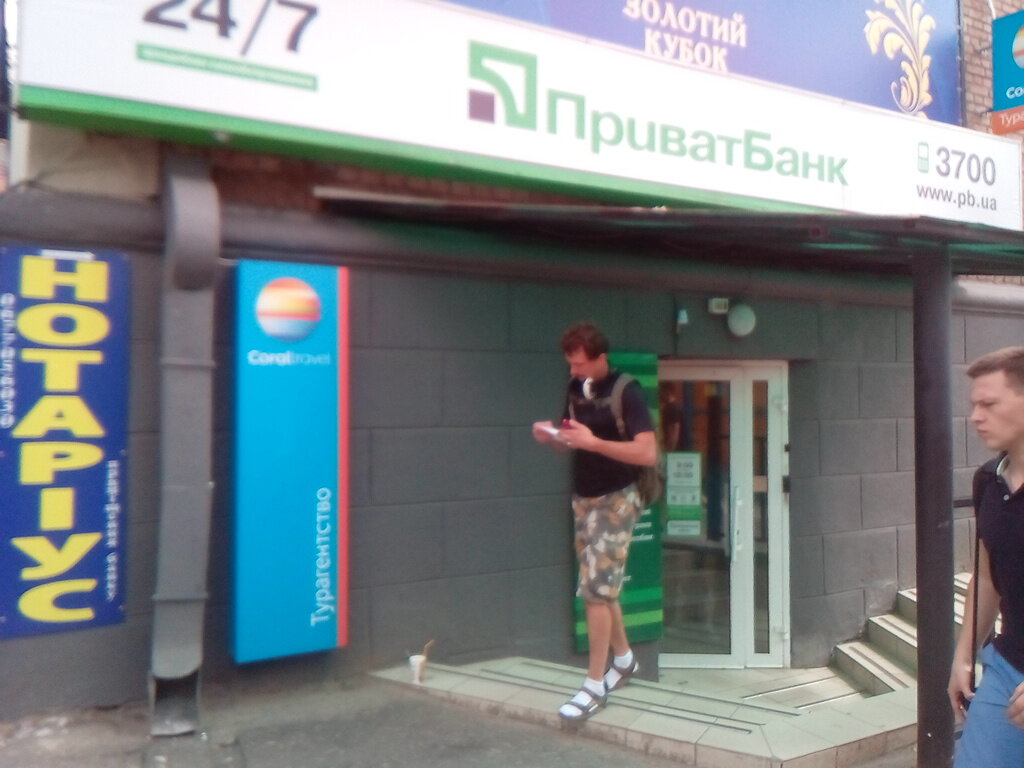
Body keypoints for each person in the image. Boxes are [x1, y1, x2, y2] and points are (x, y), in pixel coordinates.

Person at [532, 321, 656, 723]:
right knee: (599, 584)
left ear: (601, 359)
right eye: (570, 364)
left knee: (595, 593)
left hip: (616, 499)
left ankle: (594, 686)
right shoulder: (575, 388)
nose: (574, 371)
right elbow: (571, 439)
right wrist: (552, 436)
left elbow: (647, 453)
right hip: (584, 498)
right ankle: (624, 659)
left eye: (580, 364)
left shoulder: (627, 391)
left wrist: (595, 443)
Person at [948, 346, 1024, 767]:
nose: (975, 416)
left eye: (989, 404)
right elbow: (988, 578)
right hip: (1007, 668)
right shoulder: (987, 481)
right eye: (974, 404)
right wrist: (963, 656)